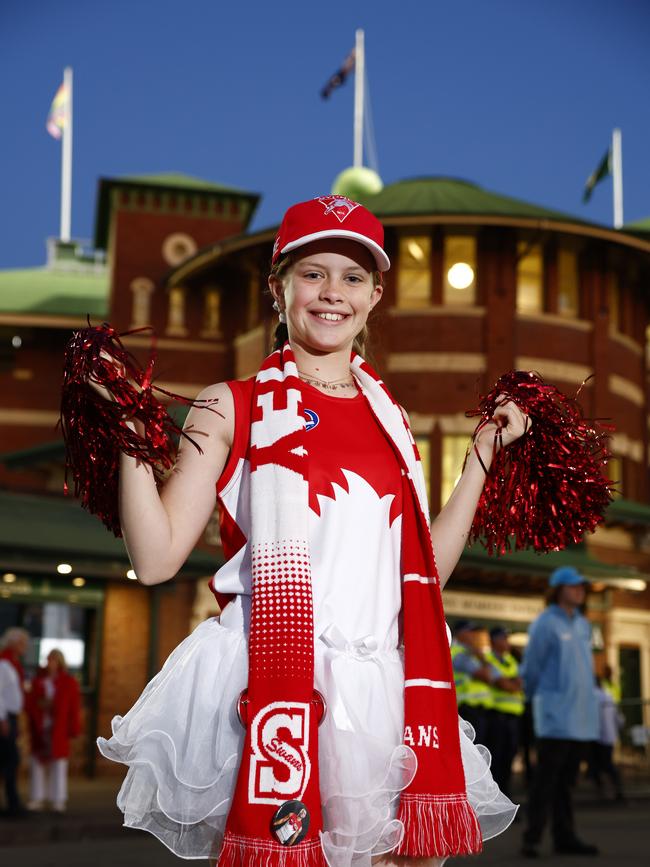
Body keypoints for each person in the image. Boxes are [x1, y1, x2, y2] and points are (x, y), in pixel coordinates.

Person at [93, 195, 530, 866]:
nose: (333, 293)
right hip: (275, 685)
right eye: (312, 273)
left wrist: (481, 457)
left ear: (377, 294)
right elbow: (154, 560)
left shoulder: (393, 419)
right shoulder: (228, 404)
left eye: (353, 276)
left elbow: (422, 577)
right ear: (278, 287)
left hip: (383, 698)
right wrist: (128, 441)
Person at [521, 566, 599, 858]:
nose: (579, 590)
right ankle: (532, 837)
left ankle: (564, 836)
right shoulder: (545, 623)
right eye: (573, 585)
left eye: (581, 585)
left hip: (578, 716)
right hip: (554, 715)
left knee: (566, 781)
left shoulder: (582, 624)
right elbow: (532, 667)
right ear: (557, 590)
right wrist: (532, 701)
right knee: (546, 780)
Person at [25, 648, 81, 812]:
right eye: (48, 660)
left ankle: (58, 799)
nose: (49, 663)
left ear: (59, 662)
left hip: (59, 727)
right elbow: (31, 702)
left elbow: (73, 707)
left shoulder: (69, 682)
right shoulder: (38, 680)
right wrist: (40, 705)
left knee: (59, 763)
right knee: (38, 761)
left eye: (53, 660)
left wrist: (74, 728)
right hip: (41, 726)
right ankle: (37, 797)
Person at [484, 627, 524, 799]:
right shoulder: (488, 659)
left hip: (513, 717)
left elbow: (520, 682)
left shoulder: (510, 660)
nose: (507, 642)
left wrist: (512, 684)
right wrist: (511, 684)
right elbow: (504, 684)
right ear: (494, 640)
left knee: (509, 758)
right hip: (497, 716)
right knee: (497, 759)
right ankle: (495, 798)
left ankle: (506, 796)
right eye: (503, 638)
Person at [0, 627, 29, 817]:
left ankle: (13, 803)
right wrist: (2, 718)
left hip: (10, 717)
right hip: (5, 718)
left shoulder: (12, 663)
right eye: (22, 643)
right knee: (11, 760)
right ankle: (13, 804)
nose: (25, 647)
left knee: (9, 760)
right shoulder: (5, 663)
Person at [450, 621, 493, 743]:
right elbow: (486, 676)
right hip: (468, 710)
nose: (473, 635)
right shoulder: (460, 653)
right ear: (460, 634)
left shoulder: (470, 652)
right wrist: (481, 658)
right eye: (469, 632)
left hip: (476, 710)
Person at [591, 676, 625, 802]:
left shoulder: (593, 696)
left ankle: (607, 790)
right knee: (605, 764)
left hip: (598, 736)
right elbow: (618, 717)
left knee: (601, 764)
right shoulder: (608, 695)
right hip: (609, 735)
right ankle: (613, 789)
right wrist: (620, 726)